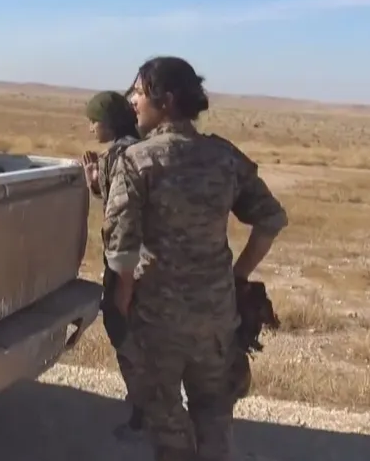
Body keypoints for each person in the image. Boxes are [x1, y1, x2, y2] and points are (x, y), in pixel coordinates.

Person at [104, 56, 288, 461]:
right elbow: (271, 220)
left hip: (158, 321)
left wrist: (122, 302)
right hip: (217, 317)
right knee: (215, 416)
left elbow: (120, 250)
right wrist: (237, 276)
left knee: (166, 421)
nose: (132, 100)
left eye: (139, 92)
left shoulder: (137, 161)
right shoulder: (224, 156)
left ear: (166, 100)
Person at [79, 91, 144, 439]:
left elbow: (122, 218)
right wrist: (95, 180)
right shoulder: (137, 148)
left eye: (95, 121)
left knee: (122, 328)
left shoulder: (121, 156)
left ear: (111, 122)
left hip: (128, 262)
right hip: (144, 261)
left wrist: (122, 280)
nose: (91, 127)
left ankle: (143, 409)